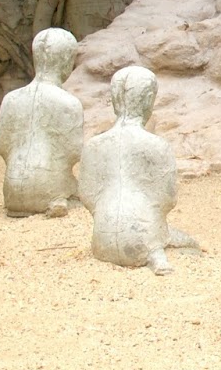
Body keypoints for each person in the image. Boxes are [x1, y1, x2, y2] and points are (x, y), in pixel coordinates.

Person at [77, 66, 200, 275]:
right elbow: (168, 198)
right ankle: (155, 253)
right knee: (192, 245)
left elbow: (87, 195)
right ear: (149, 99)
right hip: (145, 234)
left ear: (114, 99)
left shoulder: (93, 145)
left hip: (102, 237)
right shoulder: (157, 146)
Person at [0, 27, 83, 218]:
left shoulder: (10, 99)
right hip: (48, 187)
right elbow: (75, 151)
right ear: (67, 60)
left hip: (12, 189)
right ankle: (55, 199)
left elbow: (2, 146)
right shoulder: (69, 103)